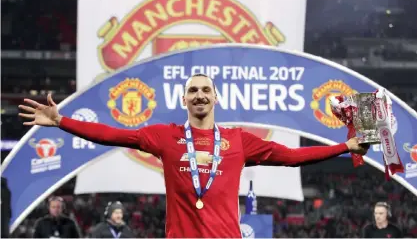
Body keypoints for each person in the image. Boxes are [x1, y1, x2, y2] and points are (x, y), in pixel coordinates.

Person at [19, 74, 369, 238]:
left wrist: (345, 146)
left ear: (216, 98)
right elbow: (112, 134)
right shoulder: (165, 136)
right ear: (183, 100)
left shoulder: (238, 141)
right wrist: (62, 121)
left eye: (205, 90)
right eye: (192, 91)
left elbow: (292, 156)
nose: (199, 95)